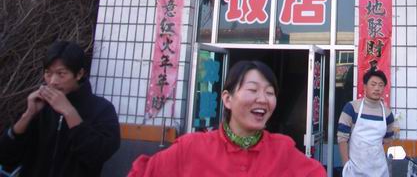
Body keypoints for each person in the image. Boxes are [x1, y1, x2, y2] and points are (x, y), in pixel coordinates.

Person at [128, 60, 326, 176]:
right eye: (253, 90)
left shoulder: (283, 150)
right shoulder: (191, 147)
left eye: (269, 92)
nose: (263, 99)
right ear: (227, 99)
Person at [0, 41, 120, 177]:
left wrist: (69, 112)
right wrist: (28, 115)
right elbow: (5, 156)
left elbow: (98, 154)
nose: (53, 81)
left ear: (79, 74)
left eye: (61, 73)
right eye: (48, 73)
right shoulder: (39, 106)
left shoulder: (102, 109)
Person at [337, 68, 395, 177]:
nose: (377, 88)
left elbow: (387, 140)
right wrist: (346, 164)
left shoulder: (387, 114)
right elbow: (342, 138)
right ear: (364, 87)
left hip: (380, 171)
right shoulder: (352, 108)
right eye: (373, 84)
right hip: (354, 171)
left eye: (381, 85)